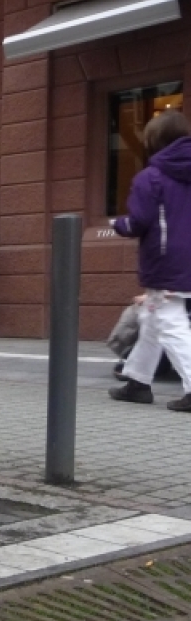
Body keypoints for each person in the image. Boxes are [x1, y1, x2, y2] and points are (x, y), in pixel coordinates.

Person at [109, 109, 191, 412]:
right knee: (152, 320)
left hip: (165, 259)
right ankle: (138, 382)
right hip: (186, 258)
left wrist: (120, 225)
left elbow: (139, 221)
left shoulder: (151, 177)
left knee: (170, 322)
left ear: (156, 141)